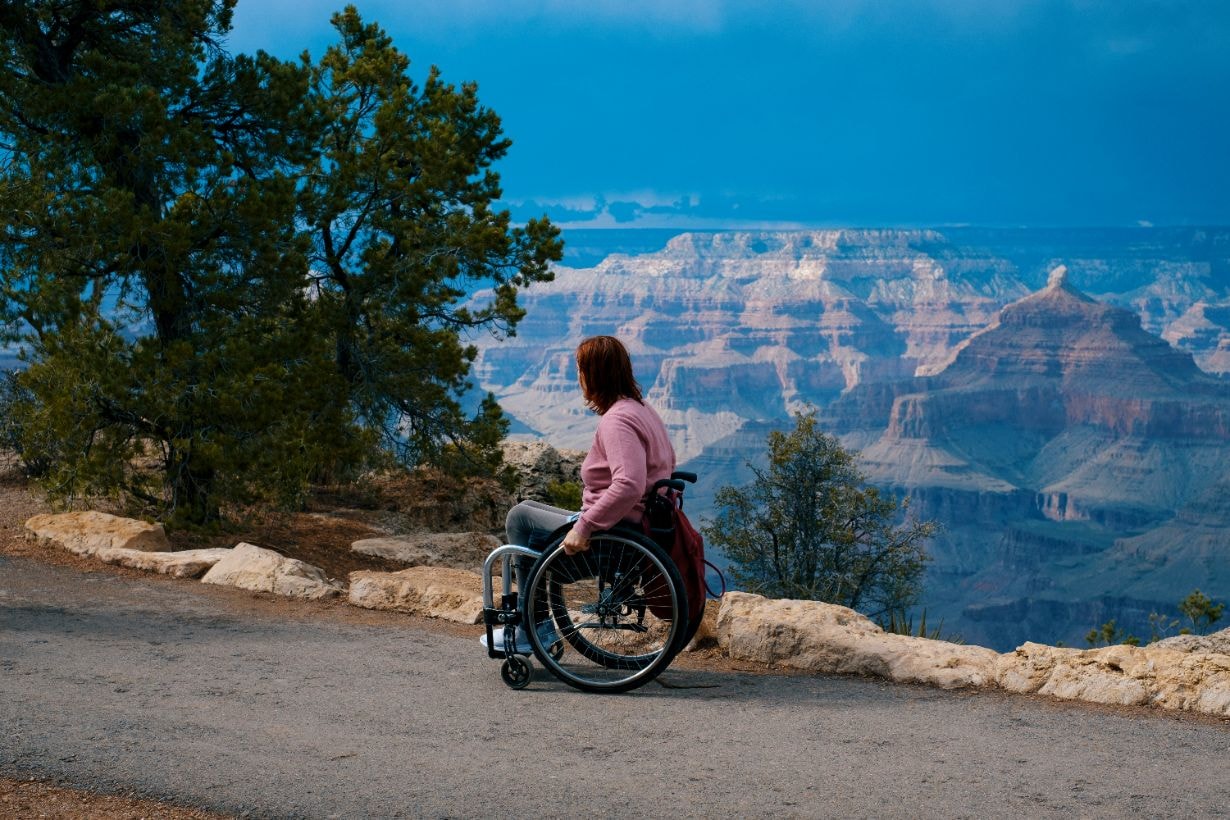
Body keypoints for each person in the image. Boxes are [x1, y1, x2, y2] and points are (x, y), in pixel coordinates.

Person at [484, 335, 677, 653]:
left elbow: (628, 483)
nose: (577, 378)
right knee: (529, 508)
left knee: (520, 516)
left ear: (595, 375)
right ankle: (535, 624)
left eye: (580, 370)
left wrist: (584, 527)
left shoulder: (617, 421)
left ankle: (529, 627)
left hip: (613, 532)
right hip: (636, 524)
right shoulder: (642, 409)